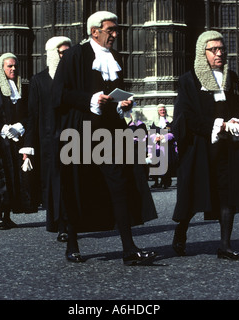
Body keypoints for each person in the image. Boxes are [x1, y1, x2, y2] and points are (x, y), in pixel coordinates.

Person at [52, 11, 157, 265]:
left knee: (120, 185)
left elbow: (113, 96)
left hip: (110, 131)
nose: (115, 34)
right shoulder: (75, 55)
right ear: (94, 31)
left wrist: (123, 104)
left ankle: (129, 249)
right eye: (110, 29)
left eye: (116, 29)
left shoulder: (115, 57)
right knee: (78, 186)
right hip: (80, 131)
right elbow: (58, 94)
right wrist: (90, 99)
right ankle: (73, 244)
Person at [171, 30, 239, 261]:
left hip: (227, 147)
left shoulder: (232, 77)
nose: (219, 53)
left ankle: (225, 246)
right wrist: (217, 124)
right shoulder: (189, 80)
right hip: (201, 146)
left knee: (227, 194)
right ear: (202, 52)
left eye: (221, 49)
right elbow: (184, 117)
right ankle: (181, 230)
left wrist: (237, 121)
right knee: (194, 194)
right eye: (213, 49)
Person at [0, 53, 38, 229]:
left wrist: (20, 126)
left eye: (15, 66)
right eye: (9, 66)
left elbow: (30, 114)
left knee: (14, 179)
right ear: (2, 69)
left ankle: (8, 214)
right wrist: (2, 129)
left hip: (17, 141)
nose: (13, 69)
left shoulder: (23, 90)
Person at [23, 36, 72, 242]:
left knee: (71, 183)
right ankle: (59, 224)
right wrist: (27, 146)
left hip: (73, 137)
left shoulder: (74, 78)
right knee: (54, 183)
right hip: (49, 141)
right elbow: (32, 115)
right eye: (62, 52)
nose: (66, 56)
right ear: (53, 53)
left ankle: (70, 222)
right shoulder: (38, 80)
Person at [148, 104, 178, 189]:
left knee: (167, 163)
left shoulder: (170, 121)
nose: (162, 112)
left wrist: (164, 137)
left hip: (167, 145)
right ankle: (158, 181)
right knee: (157, 163)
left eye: (164, 110)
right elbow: (151, 133)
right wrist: (155, 137)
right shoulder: (154, 122)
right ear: (158, 111)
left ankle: (166, 181)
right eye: (161, 110)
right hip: (157, 145)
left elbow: (173, 133)